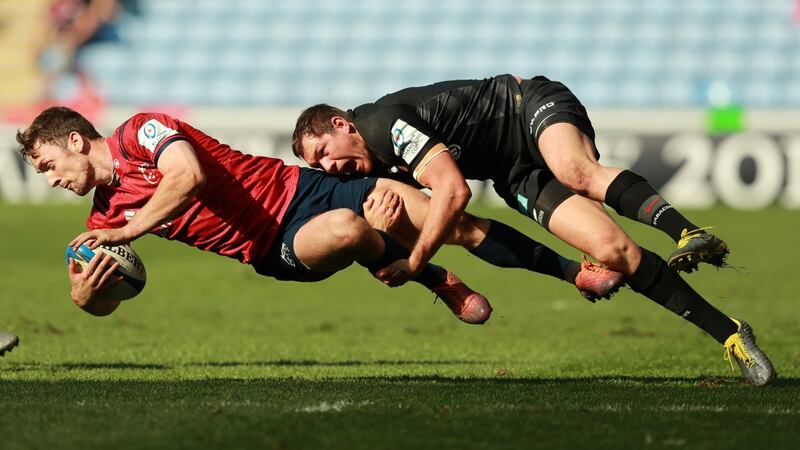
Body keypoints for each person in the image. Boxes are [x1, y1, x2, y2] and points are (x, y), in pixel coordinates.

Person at [291, 74, 775, 386]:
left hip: (527, 106)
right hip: (515, 173)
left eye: (323, 154)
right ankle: (732, 335)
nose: (329, 168)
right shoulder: (378, 170)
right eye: (318, 166)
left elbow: (453, 192)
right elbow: (457, 224)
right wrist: (396, 232)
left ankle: (686, 232)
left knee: (575, 170)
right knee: (613, 250)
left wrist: (416, 262)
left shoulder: (380, 125)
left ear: (340, 123)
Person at [15, 106, 619, 326]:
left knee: (448, 220)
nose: (50, 178)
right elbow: (108, 299)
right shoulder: (103, 220)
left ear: (74, 140)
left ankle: (572, 270)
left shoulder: (141, 130)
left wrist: (130, 227)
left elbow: (189, 176)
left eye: (46, 164)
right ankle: (431, 276)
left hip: (303, 187)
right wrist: (83, 297)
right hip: (273, 244)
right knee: (354, 230)